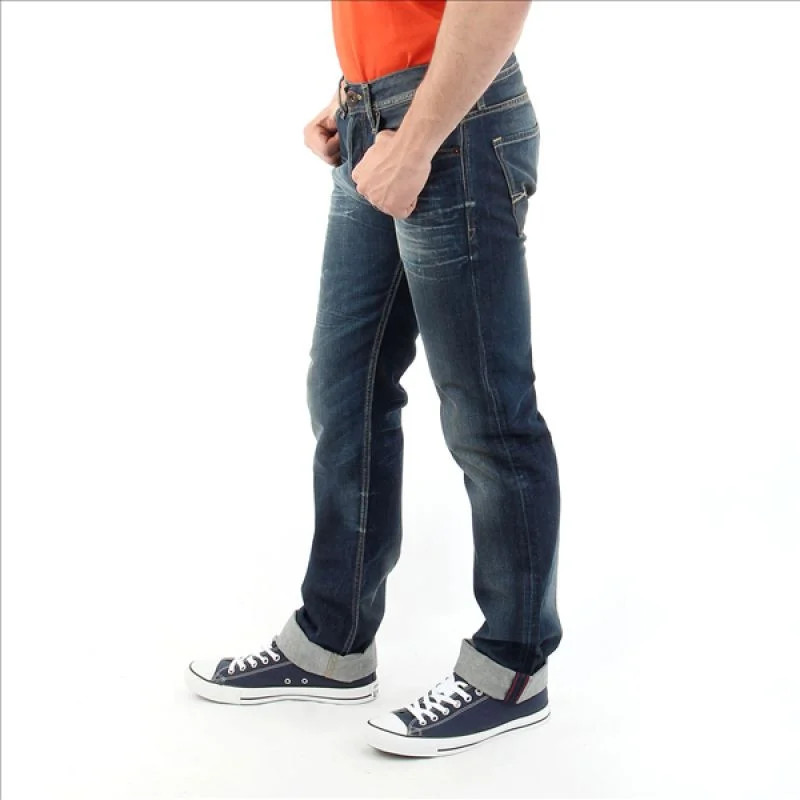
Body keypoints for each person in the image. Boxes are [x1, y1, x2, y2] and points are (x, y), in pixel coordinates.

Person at [185, 0, 562, 758]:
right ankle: (333, 643)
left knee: (487, 412)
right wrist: (353, 91)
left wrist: (415, 139)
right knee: (344, 389)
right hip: (377, 112)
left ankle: (512, 667)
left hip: (451, 126)